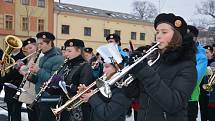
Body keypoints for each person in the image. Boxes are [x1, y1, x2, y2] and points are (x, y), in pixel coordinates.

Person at [126, 13, 197, 121]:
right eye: (157, 32)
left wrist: (144, 71)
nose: (158, 35)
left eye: (164, 32)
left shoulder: (187, 66)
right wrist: (130, 73)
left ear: (176, 36)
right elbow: (136, 94)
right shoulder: (154, 61)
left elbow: (173, 104)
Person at [78, 43, 131, 121]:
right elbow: (98, 106)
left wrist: (92, 97)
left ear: (117, 67)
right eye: (103, 66)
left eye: (107, 66)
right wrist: (88, 93)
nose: (103, 70)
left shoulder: (123, 88)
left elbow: (108, 114)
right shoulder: (107, 83)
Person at [47, 39, 94, 121]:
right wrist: (52, 89)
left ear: (79, 51)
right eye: (65, 51)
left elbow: (83, 90)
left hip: (77, 109)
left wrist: (64, 85)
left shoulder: (85, 66)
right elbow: (63, 89)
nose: (66, 54)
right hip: (64, 106)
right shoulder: (68, 64)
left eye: (69, 51)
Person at [29, 32, 64, 121]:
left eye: (41, 44)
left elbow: (54, 80)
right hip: (39, 96)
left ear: (50, 43)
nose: (39, 46)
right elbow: (40, 79)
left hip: (49, 98)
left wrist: (38, 70)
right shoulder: (42, 58)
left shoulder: (58, 59)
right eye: (38, 44)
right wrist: (30, 76)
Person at [18, 37, 42, 121]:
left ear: (36, 47)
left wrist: (23, 71)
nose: (29, 50)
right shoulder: (31, 58)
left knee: (35, 117)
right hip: (29, 92)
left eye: (31, 47)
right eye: (27, 49)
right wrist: (21, 66)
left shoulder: (40, 57)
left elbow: (35, 74)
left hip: (34, 92)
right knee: (31, 117)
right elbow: (28, 70)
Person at [187, 25, 208, 121]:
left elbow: (194, 79)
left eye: (187, 35)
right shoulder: (180, 52)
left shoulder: (201, 57)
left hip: (190, 99)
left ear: (195, 38)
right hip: (174, 98)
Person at [0, 46, 26, 121]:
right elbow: (4, 70)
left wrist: (4, 78)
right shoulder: (9, 57)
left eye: (14, 46)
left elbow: (17, 73)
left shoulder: (22, 57)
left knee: (16, 111)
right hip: (8, 87)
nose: (11, 47)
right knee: (10, 110)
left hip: (16, 86)